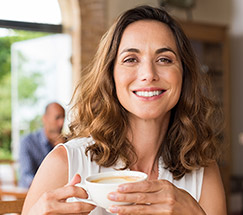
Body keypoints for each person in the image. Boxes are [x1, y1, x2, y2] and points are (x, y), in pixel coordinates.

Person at [22, 5, 226, 215]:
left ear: (184, 74)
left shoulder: (203, 170)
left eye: (164, 59)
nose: (148, 74)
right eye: (131, 59)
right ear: (111, 76)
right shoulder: (64, 163)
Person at [19, 102, 65, 188]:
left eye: (63, 118)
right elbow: (26, 177)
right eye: (57, 118)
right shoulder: (28, 142)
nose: (61, 123)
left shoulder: (67, 143)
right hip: (35, 194)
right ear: (44, 118)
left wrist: (63, 150)